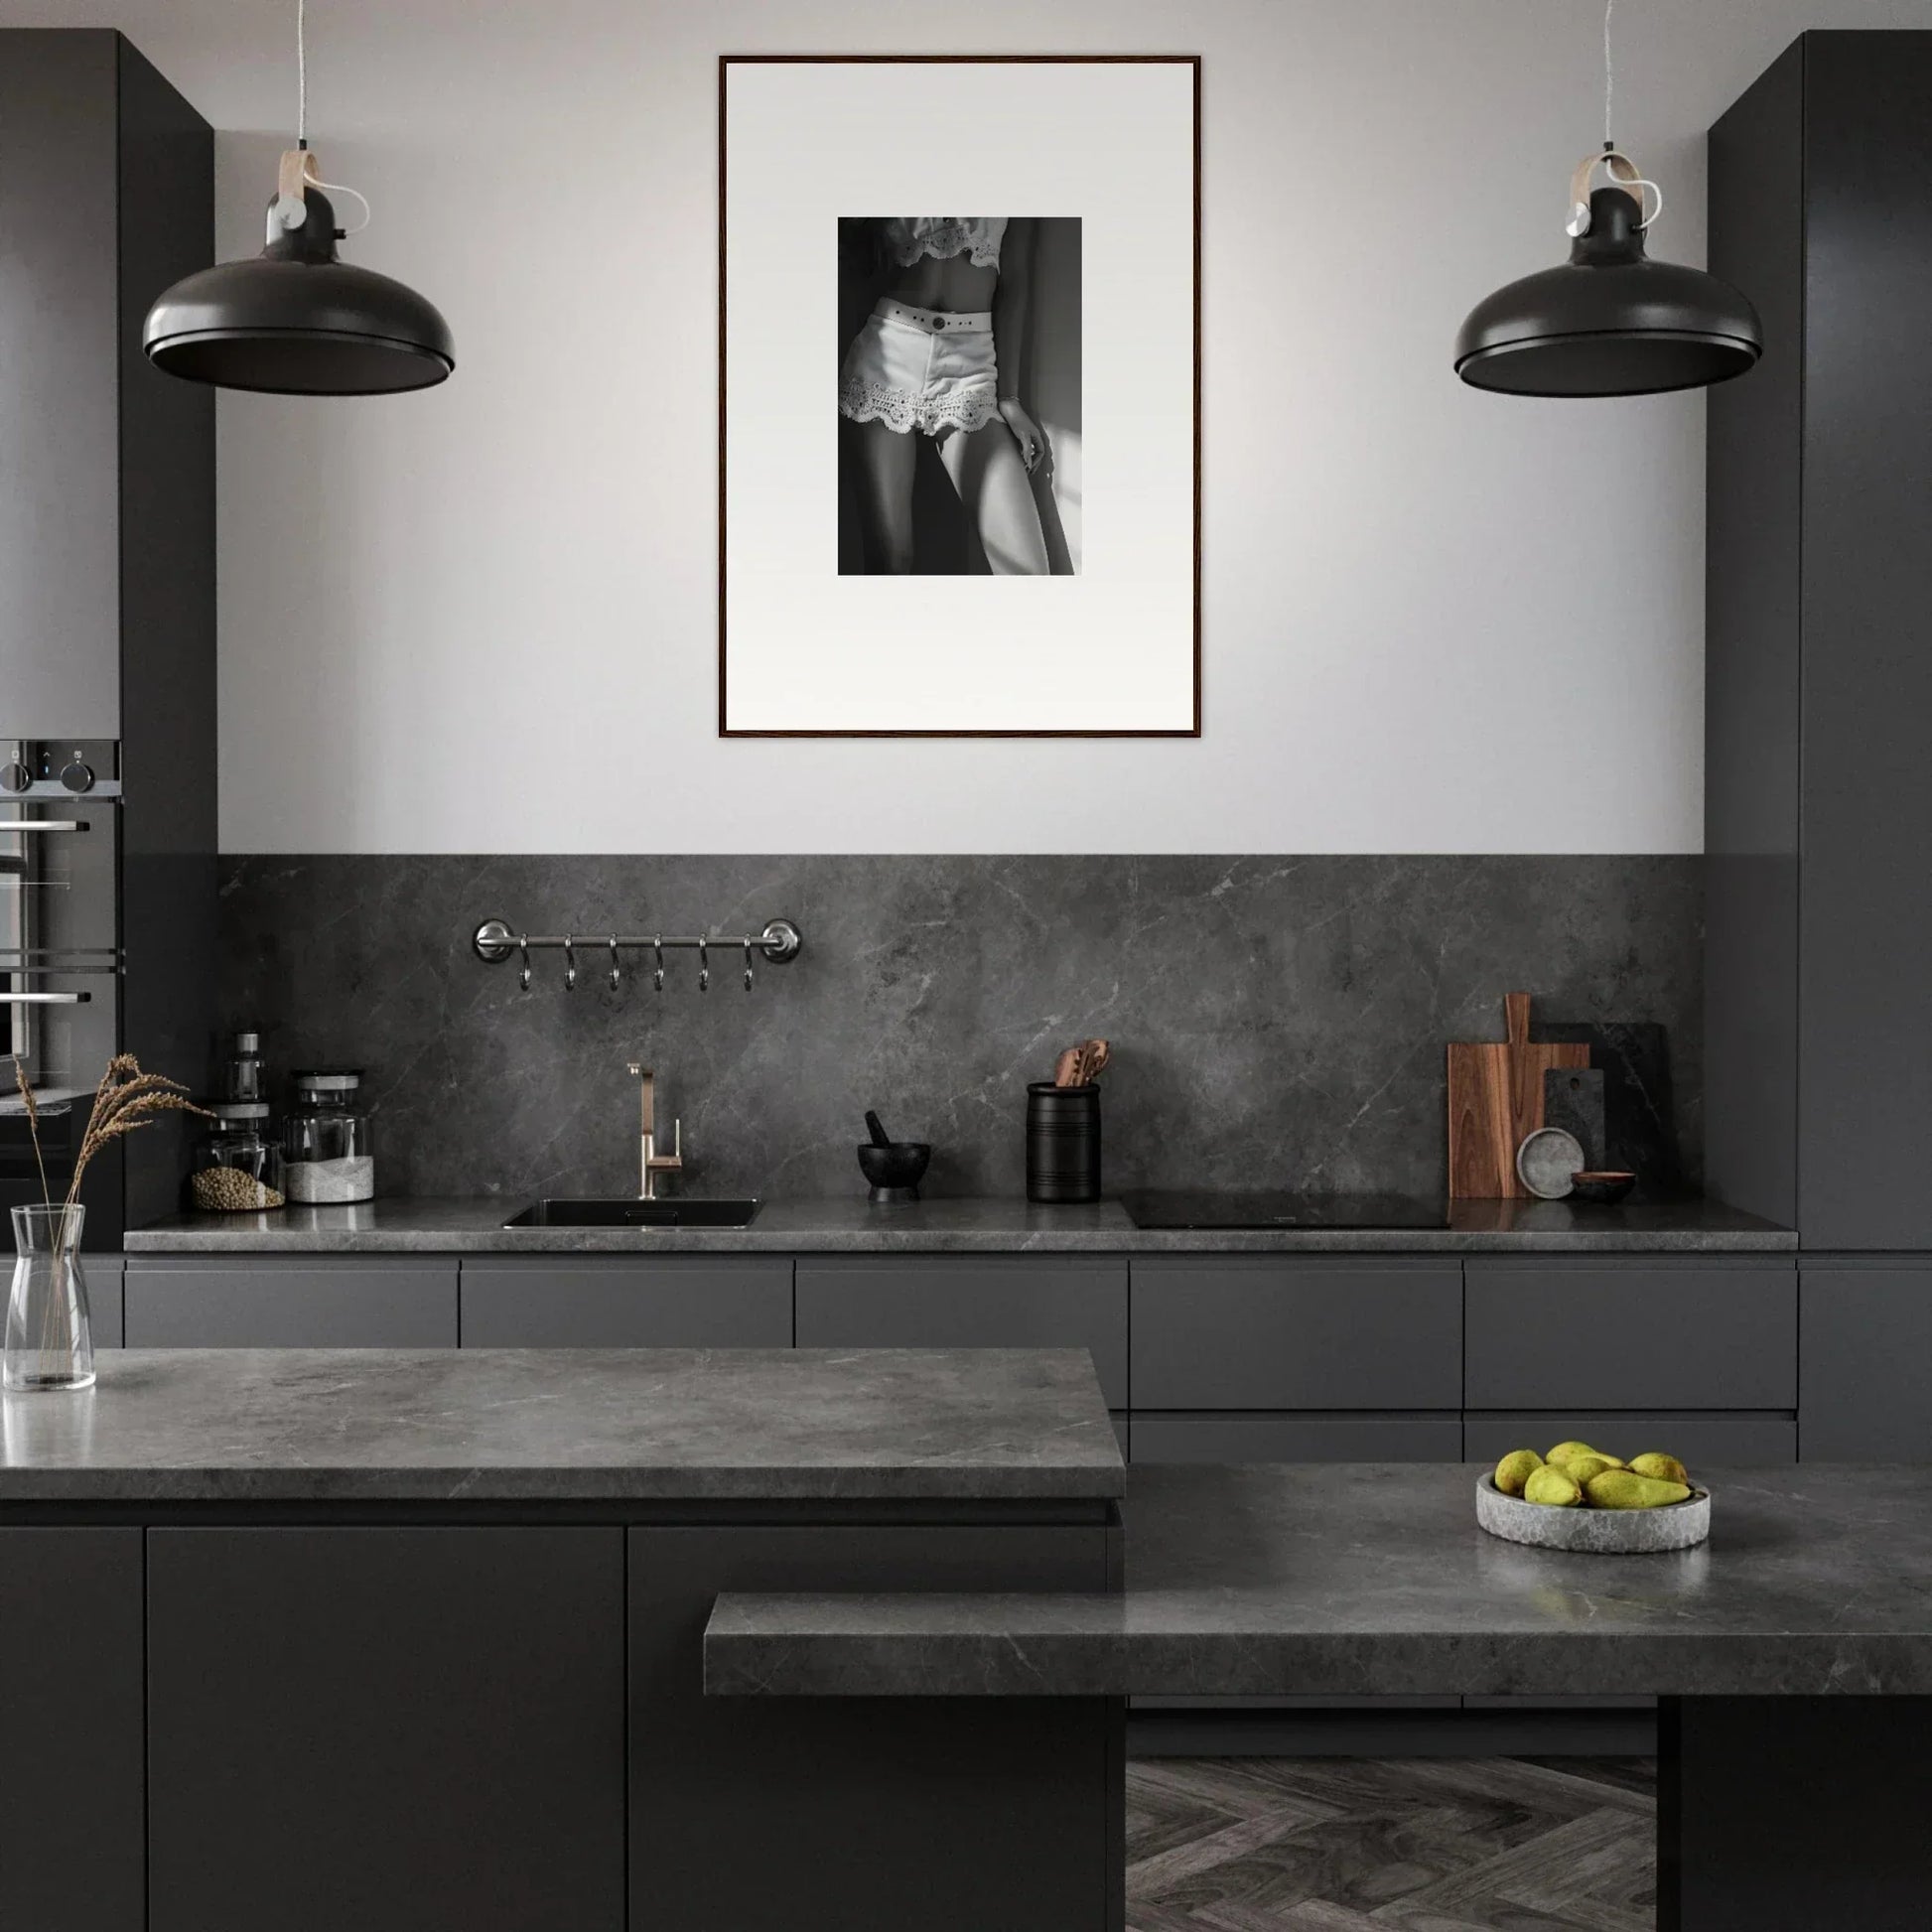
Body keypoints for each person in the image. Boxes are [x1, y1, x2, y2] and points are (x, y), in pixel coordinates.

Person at [837, 216, 1050, 575]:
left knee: (1027, 573)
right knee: (890, 565)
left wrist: (1009, 399)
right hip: (888, 354)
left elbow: (1015, 285)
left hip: (972, 367)